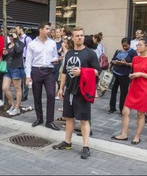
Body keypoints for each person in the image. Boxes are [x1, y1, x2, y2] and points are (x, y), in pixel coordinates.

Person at [52, 27, 100, 159]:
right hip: (69, 91)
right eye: (77, 36)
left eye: (81, 35)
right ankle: (67, 142)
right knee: (68, 118)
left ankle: (86, 146)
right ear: (72, 38)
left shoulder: (90, 53)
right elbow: (64, 73)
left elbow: (97, 71)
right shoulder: (69, 53)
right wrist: (61, 88)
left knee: (84, 119)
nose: (79, 38)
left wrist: (82, 72)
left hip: (82, 91)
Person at [111, 38, 147, 144]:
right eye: (137, 45)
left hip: (145, 89)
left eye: (139, 45)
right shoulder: (136, 58)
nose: (137, 47)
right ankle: (123, 134)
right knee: (125, 112)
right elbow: (134, 70)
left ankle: (137, 136)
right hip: (134, 87)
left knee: (140, 114)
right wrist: (133, 76)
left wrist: (140, 74)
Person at [25, 21, 60, 131]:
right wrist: (27, 75)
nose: (49, 31)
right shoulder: (32, 44)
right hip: (36, 71)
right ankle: (39, 118)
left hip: (49, 71)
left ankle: (49, 121)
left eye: (49, 29)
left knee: (51, 95)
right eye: (47, 29)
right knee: (37, 96)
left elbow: (55, 56)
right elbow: (28, 60)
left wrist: (56, 60)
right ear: (40, 30)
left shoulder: (52, 43)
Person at [108, 38, 137, 116]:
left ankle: (122, 110)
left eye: (126, 46)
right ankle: (112, 108)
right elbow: (112, 60)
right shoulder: (118, 51)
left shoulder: (133, 52)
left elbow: (135, 64)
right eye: (123, 46)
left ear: (129, 45)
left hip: (125, 75)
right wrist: (115, 62)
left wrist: (126, 63)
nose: (125, 47)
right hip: (115, 73)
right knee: (113, 90)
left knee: (123, 93)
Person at [3, 29, 25, 116]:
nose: (11, 37)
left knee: (17, 88)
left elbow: (19, 51)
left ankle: (17, 108)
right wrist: (4, 54)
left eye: (12, 35)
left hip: (16, 68)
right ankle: (13, 104)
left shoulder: (20, 43)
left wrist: (16, 40)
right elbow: (5, 57)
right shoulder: (8, 44)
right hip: (8, 68)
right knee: (5, 88)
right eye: (10, 35)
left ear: (17, 35)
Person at [16, 25, 32, 101]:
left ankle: (24, 95)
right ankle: (19, 94)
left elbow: (31, 50)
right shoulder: (17, 38)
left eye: (17, 30)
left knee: (25, 78)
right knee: (19, 78)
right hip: (19, 59)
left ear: (21, 29)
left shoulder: (27, 39)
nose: (16, 31)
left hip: (25, 59)